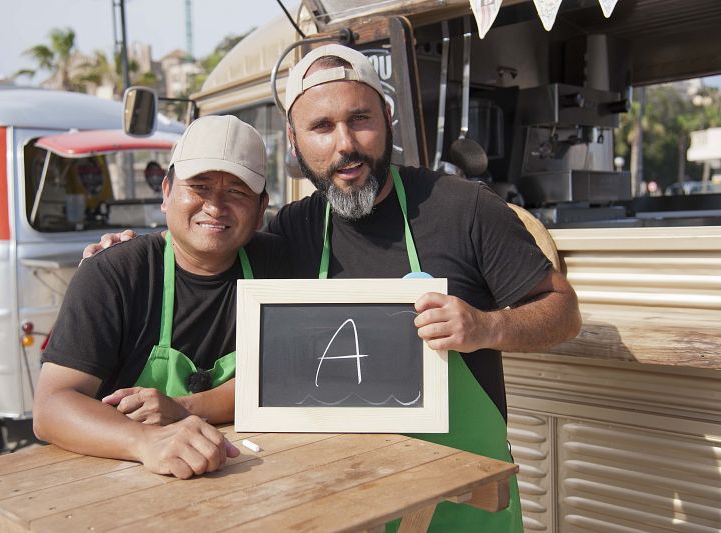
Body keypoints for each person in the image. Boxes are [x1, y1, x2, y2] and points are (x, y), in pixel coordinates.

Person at [84, 45, 581, 530]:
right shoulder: (290, 232)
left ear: (387, 120)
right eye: (321, 127)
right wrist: (131, 250)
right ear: (295, 142)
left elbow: (562, 311)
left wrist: (486, 326)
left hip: (466, 503)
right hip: (347, 501)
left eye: (360, 119)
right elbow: (206, 240)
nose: (345, 143)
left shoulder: (465, 209)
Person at [35, 115, 289, 480]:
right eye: (199, 186)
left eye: (236, 191)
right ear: (166, 192)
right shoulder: (113, 274)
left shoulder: (280, 265)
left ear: (262, 206)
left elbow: (286, 377)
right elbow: (51, 407)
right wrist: (143, 442)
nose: (215, 206)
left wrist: (185, 408)